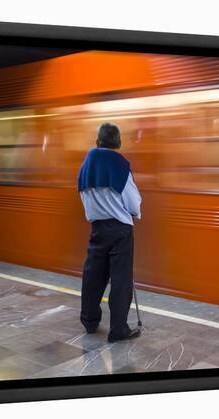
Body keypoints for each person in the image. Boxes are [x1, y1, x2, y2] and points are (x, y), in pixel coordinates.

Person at [77, 123, 142, 343]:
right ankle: (118, 329)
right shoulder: (120, 164)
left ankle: (89, 321)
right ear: (118, 143)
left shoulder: (85, 166)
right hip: (120, 229)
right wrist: (133, 212)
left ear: (98, 142)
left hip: (97, 228)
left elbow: (84, 196)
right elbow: (133, 202)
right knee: (121, 279)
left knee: (93, 276)